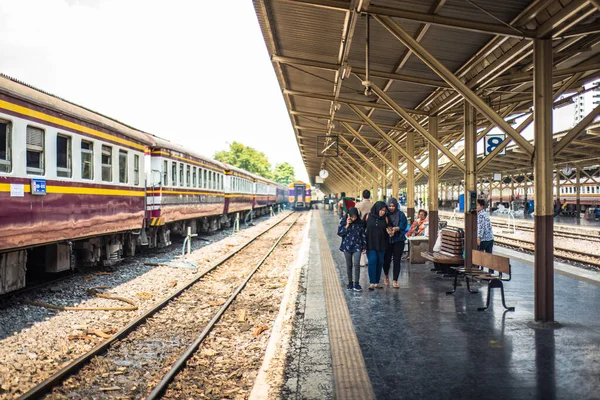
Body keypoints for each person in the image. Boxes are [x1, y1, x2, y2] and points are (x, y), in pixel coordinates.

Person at [337, 207, 366, 292]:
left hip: (357, 246)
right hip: (347, 246)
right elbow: (340, 233)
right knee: (349, 265)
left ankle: (356, 283)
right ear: (348, 215)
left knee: (357, 264)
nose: (353, 218)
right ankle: (350, 282)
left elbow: (362, 235)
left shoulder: (360, 223)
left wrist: (364, 247)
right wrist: (347, 225)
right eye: (352, 217)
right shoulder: (343, 221)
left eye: (355, 216)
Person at [364, 201, 390, 290]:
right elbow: (362, 229)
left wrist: (390, 231)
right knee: (372, 261)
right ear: (376, 209)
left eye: (384, 210)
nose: (382, 212)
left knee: (379, 262)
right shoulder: (367, 216)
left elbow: (390, 227)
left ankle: (376, 282)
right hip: (370, 243)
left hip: (382, 243)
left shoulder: (386, 218)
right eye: (381, 210)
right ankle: (372, 282)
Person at [383, 198, 408, 288]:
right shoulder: (385, 214)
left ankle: (395, 280)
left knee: (397, 260)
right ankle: (386, 276)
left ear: (396, 206)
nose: (391, 208)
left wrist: (396, 229)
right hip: (387, 240)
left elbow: (403, 225)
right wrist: (388, 230)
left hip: (398, 239)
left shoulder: (401, 214)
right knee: (387, 260)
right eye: (389, 206)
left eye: (393, 206)